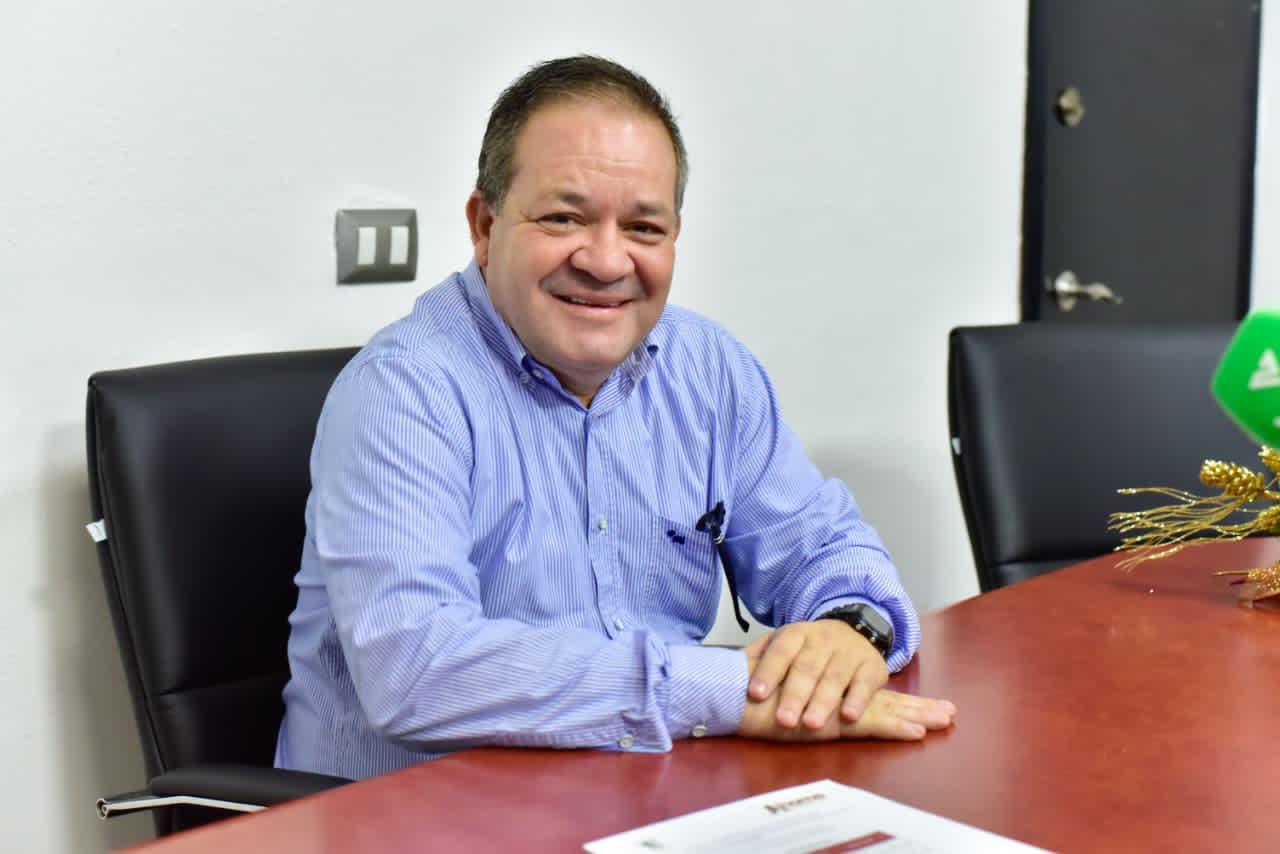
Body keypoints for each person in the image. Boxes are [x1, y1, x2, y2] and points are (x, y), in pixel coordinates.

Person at [276, 55, 955, 780]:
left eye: (643, 227)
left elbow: (822, 548)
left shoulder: (709, 370)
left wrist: (848, 630)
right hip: (417, 813)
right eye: (563, 218)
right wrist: (729, 689)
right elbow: (417, 671)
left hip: (638, 793)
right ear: (485, 224)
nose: (606, 261)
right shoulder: (402, 392)